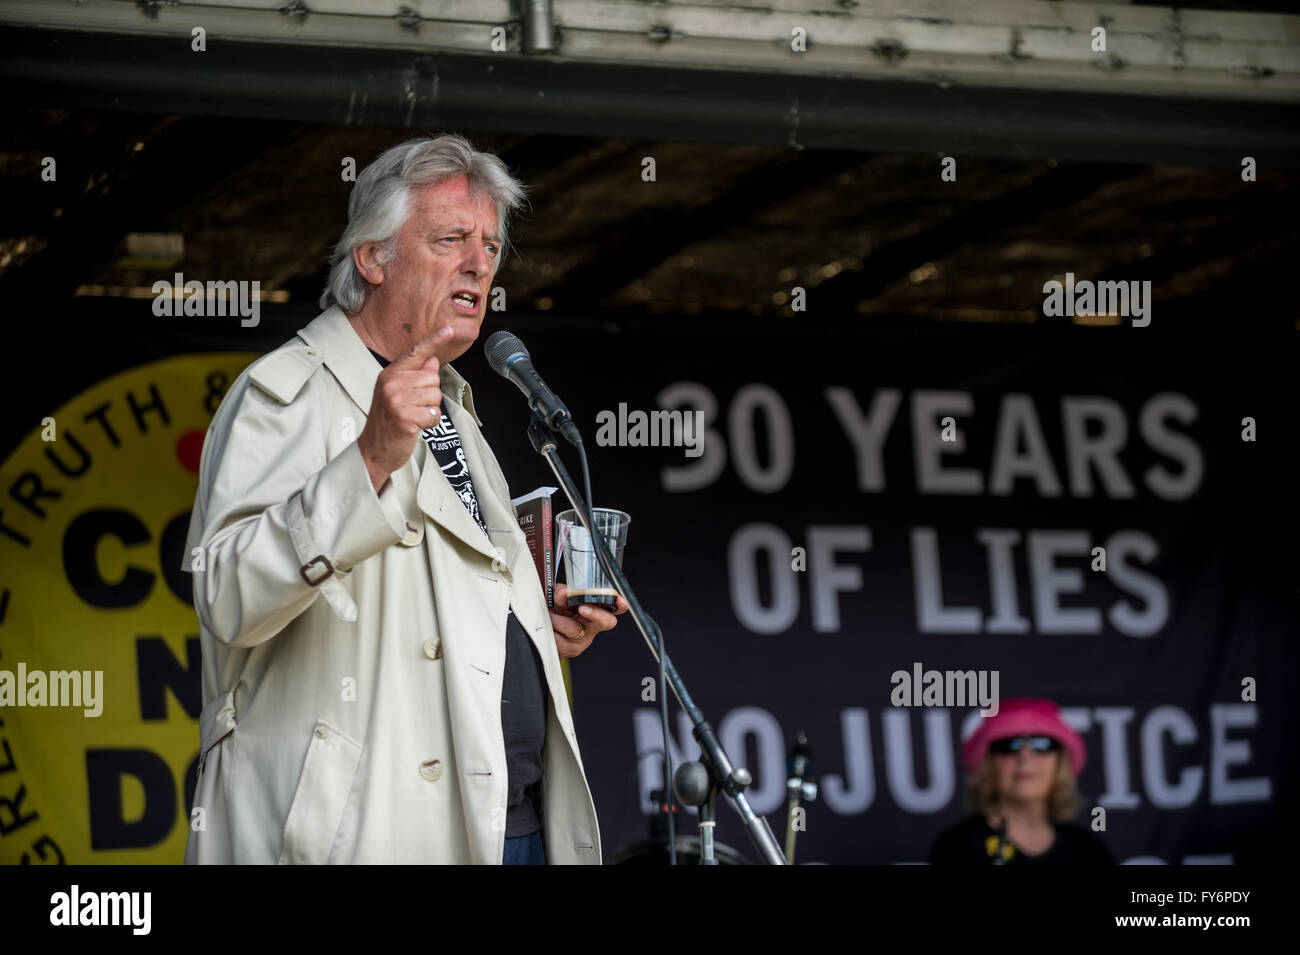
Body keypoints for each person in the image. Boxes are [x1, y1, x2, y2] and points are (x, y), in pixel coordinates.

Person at [182, 133, 626, 864]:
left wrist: (535, 624)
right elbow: (228, 591)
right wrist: (368, 459)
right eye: (450, 238)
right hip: (363, 835)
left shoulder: (455, 406)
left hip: (505, 822)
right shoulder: (286, 393)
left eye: (489, 244)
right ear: (372, 257)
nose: (479, 262)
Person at [930, 697, 1114, 865]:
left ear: (1060, 762)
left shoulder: (1088, 851)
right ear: (989, 763)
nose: (1025, 757)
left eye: (1042, 744)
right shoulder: (957, 847)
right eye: (1009, 745)